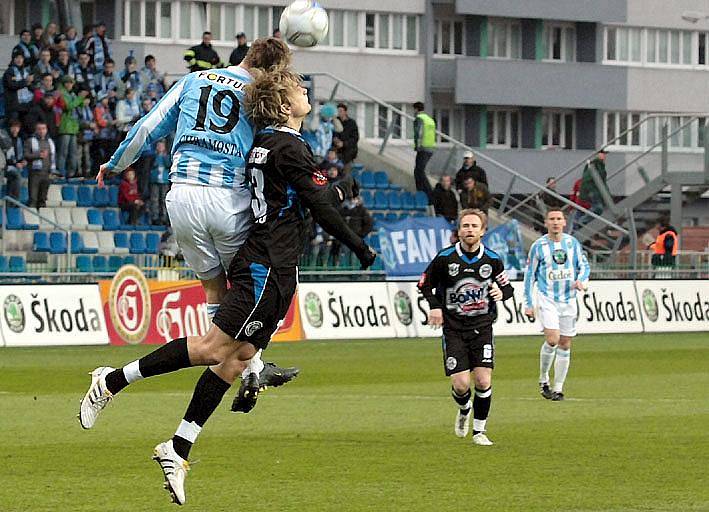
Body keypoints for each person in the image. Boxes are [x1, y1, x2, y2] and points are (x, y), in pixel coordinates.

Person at [79, 67, 376, 505]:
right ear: (282, 103)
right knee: (213, 349)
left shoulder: (268, 145)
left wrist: (342, 186)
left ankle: (177, 448)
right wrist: (358, 246)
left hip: (270, 263)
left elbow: (307, 195)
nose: (305, 89)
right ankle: (112, 381)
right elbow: (317, 205)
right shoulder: (289, 145)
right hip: (266, 267)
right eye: (298, 87)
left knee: (236, 359)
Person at [91, 37, 299, 429]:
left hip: (182, 197)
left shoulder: (194, 80)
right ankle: (252, 363)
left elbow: (147, 127)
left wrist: (117, 163)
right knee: (259, 281)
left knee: (213, 290)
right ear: (271, 70)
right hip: (226, 199)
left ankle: (250, 364)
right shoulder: (261, 94)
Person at [418, 208, 514, 446]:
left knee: (482, 380)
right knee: (461, 385)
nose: (469, 230)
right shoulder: (444, 258)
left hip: (482, 327)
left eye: (474, 226)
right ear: (459, 231)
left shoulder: (492, 260)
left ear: (483, 231)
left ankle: (479, 432)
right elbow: (424, 285)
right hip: (453, 329)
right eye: (465, 226)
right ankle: (464, 409)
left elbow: (509, 289)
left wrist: (501, 293)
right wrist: (435, 306)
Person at [523, 209, 590, 401]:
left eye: (558, 219)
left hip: (568, 300)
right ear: (545, 223)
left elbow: (584, 266)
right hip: (548, 299)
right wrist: (528, 303)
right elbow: (530, 276)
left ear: (564, 222)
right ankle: (544, 378)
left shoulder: (572, 243)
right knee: (552, 339)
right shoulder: (539, 246)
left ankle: (558, 388)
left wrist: (581, 280)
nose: (555, 222)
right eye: (551, 219)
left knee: (565, 343)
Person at [56, 75, 89, 178]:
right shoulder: (61, 94)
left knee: (73, 152)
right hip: (65, 127)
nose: (70, 85)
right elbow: (68, 106)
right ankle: (60, 172)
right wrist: (80, 98)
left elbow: (78, 104)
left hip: (73, 127)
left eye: (71, 83)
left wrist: (83, 100)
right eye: (68, 83)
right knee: (63, 152)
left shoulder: (72, 94)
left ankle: (72, 173)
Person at [24, 121, 56, 208]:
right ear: (36, 130)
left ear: (46, 130)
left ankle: (42, 219)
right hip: (35, 173)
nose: (41, 131)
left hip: (46, 173)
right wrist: (38, 155)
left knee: (42, 199)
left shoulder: (50, 142)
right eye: (39, 129)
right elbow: (25, 155)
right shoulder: (30, 141)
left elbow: (52, 158)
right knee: (33, 199)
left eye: (43, 129)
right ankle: (32, 219)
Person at [412, 101, 436, 201]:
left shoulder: (419, 119)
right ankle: (424, 192)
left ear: (416, 109)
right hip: (430, 148)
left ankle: (428, 194)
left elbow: (419, 133)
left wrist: (417, 145)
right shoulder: (430, 120)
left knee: (419, 171)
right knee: (419, 171)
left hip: (423, 148)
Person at [3, 50, 34, 121]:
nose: (19, 60)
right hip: (14, 105)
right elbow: (11, 85)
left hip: (26, 105)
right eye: (17, 57)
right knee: (13, 125)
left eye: (21, 58)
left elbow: (32, 87)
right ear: (13, 59)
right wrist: (25, 82)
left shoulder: (27, 71)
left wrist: (30, 84)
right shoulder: (9, 72)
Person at [2, 119, 26, 201]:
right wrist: (15, 163)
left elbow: (20, 156)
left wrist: (23, 162)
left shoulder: (19, 140)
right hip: (5, 166)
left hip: (15, 166)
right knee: (17, 176)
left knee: (15, 176)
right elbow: (5, 156)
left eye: (17, 127)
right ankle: (15, 201)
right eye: (13, 127)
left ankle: (9, 200)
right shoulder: (4, 139)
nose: (15, 129)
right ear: (10, 128)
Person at [579, 150, 609, 215]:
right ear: (597, 154)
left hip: (595, 191)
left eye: (604, 154)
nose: (604, 156)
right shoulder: (594, 165)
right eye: (602, 154)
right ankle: (582, 222)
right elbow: (588, 179)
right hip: (594, 191)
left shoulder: (599, 165)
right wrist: (591, 191)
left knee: (598, 208)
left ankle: (581, 221)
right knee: (598, 208)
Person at [149, 139, 171, 225]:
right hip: (155, 180)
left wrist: (164, 156)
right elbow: (152, 165)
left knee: (163, 200)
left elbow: (168, 164)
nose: (160, 147)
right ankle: (155, 217)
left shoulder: (167, 156)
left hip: (164, 180)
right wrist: (157, 156)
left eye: (161, 146)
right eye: (158, 146)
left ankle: (164, 217)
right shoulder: (153, 156)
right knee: (154, 199)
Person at [333, 102, 359, 167]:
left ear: (345, 112)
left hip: (348, 150)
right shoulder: (335, 121)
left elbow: (355, 138)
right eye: (338, 111)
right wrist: (335, 139)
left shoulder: (352, 123)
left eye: (341, 111)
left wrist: (344, 143)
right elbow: (334, 133)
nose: (339, 113)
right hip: (337, 149)